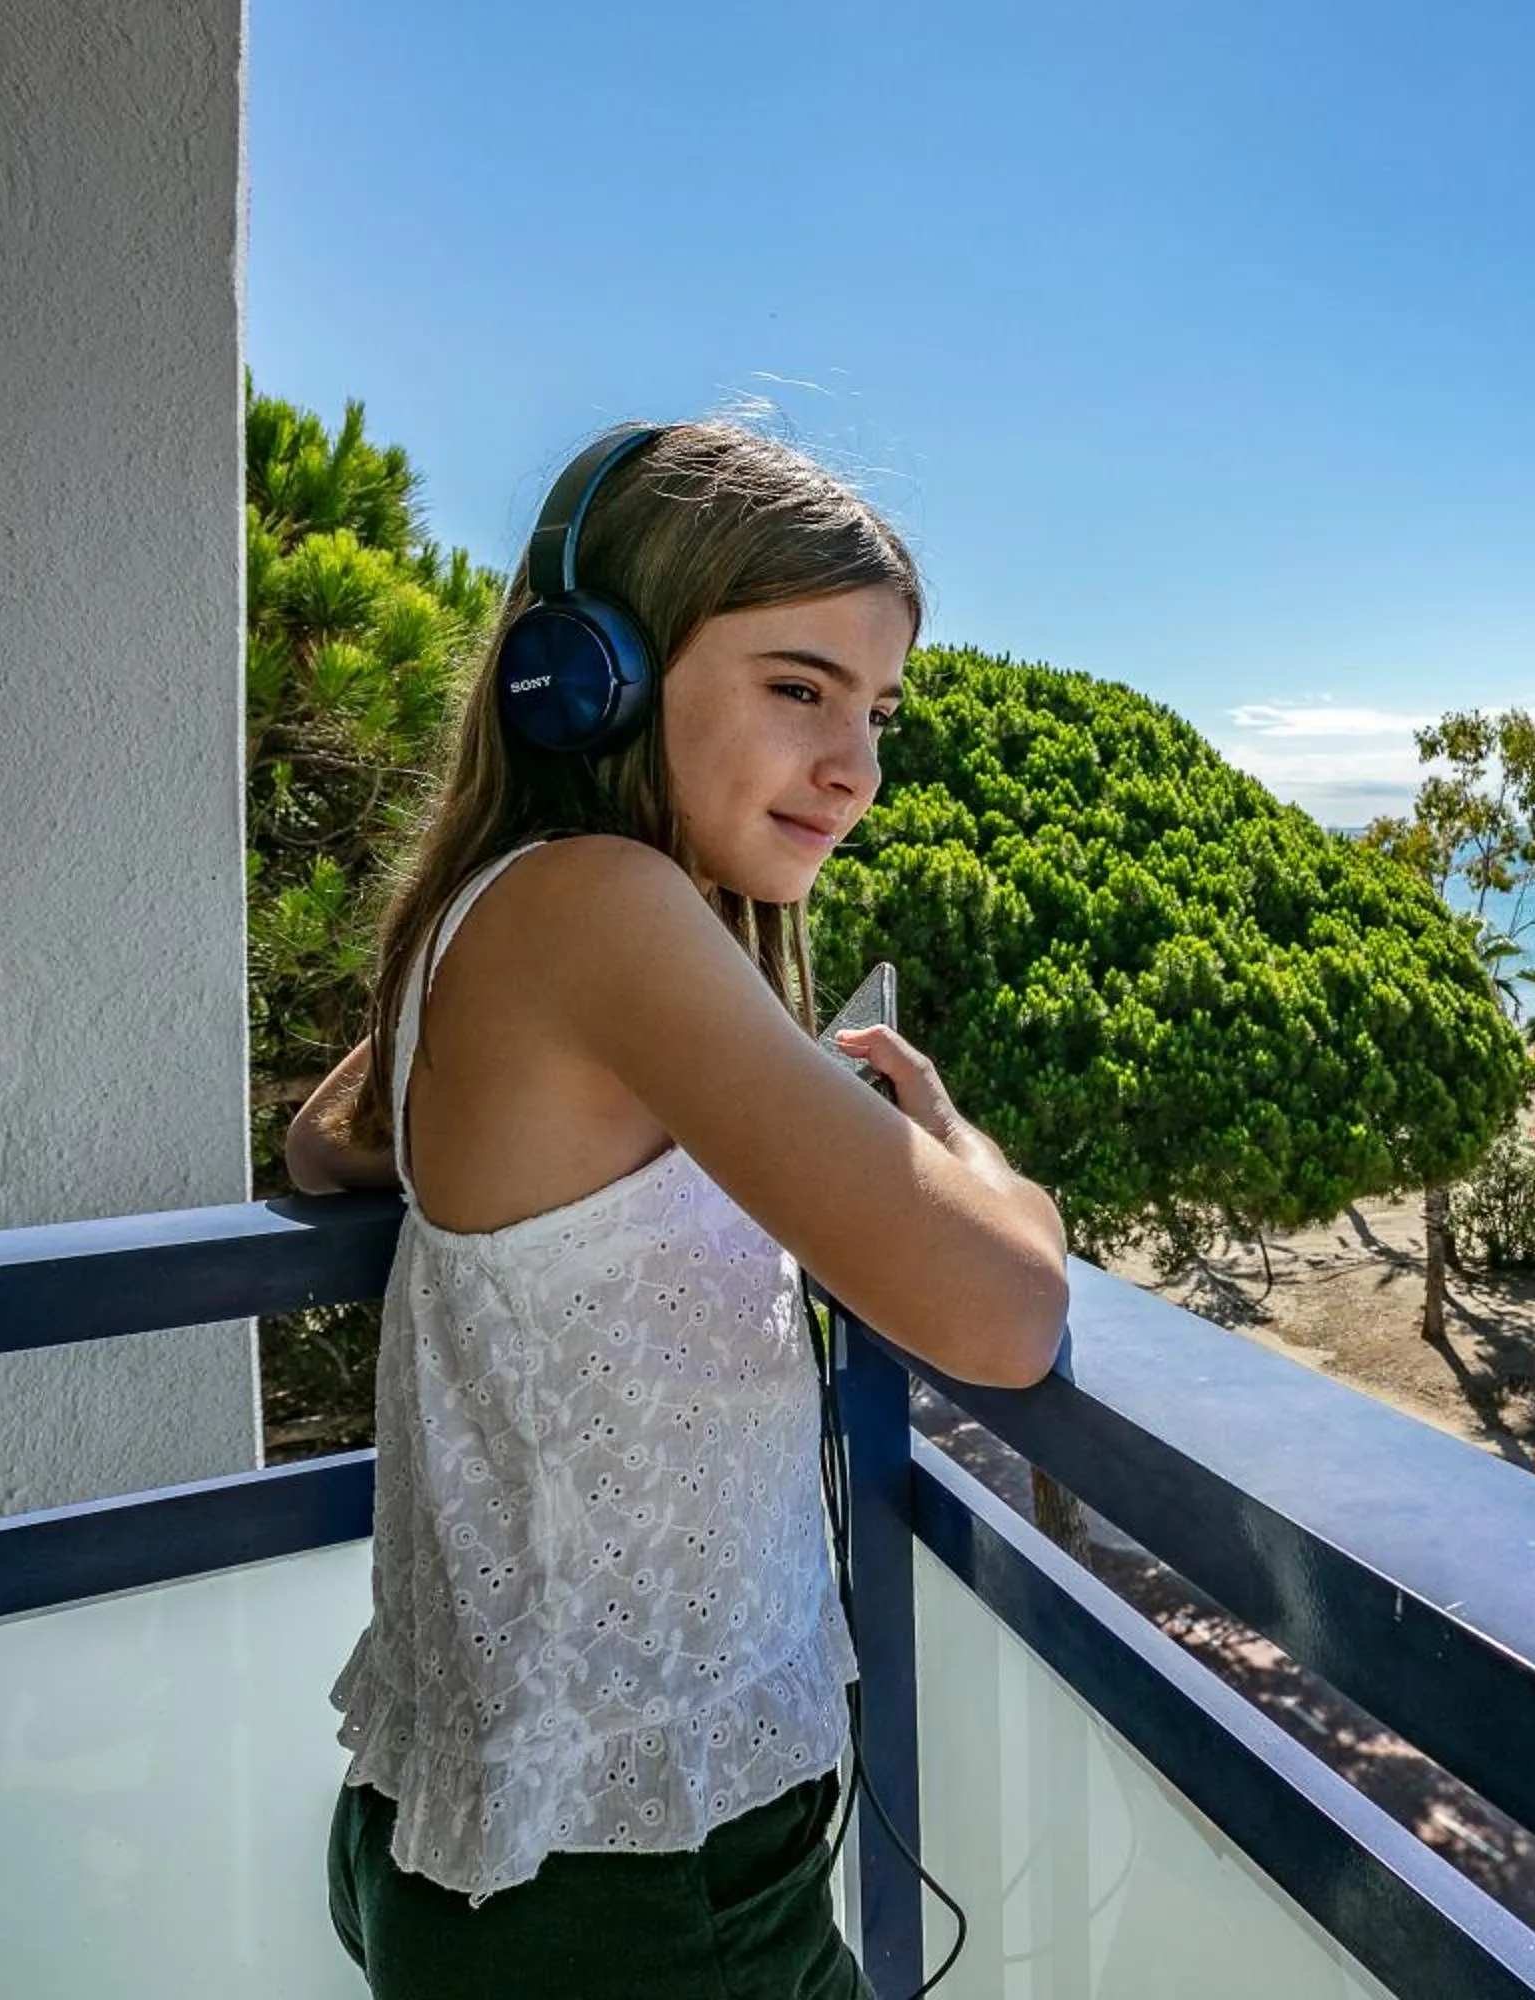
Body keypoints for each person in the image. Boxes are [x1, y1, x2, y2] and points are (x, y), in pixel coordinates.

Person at [284, 420, 1069, 1999]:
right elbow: (1009, 1313)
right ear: (594, 678)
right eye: (798, 688)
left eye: (877, 710)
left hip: (544, 1845)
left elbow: (325, 1143)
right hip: (632, 1894)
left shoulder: (501, 911)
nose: (857, 766)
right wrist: (958, 1146)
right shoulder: (599, 907)